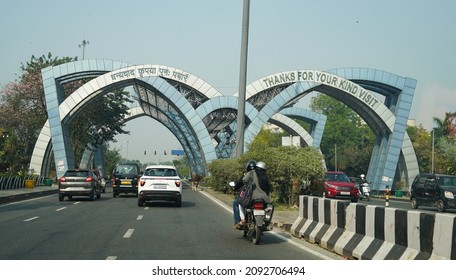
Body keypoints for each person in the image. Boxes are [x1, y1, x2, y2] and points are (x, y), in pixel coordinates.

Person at [232, 160, 257, 229]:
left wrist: (234, 188)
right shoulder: (261, 175)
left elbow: (240, 182)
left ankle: (238, 221)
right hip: (261, 197)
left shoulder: (246, 176)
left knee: (237, 202)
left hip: (249, 198)